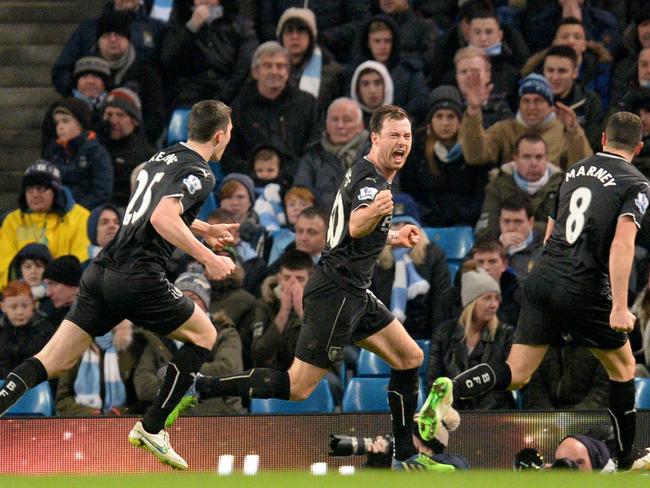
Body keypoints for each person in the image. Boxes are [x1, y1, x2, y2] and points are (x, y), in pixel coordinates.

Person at [177, 105, 447, 471]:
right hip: (336, 294)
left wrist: (393, 233)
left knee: (410, 358)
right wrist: (377, 212)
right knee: (299, 387)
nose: (402, 142)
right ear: (375, 138)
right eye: (394, 135)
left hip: (354, 291)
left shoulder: (367, 172)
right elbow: (354, 224)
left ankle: (408, 454)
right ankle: (202, 387)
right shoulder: (374, 183)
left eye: (407, 136)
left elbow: (344, 235)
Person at [0, 100, 238, 471]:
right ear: (221, 135)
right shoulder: (201, 171)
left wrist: (205, 228)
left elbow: (151, 210)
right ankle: (153, 428)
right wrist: (208, 256)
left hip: (102, 271)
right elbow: (161, 217)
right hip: (139, 277)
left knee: (53, 360)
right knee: (205, 335)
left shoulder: (162, 158)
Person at [422, 112, 650, 472]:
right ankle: (625, 463)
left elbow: (550, 231)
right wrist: (619, 306)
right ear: (638, 146)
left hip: (543, 275)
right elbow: (623, 245)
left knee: (518, 371)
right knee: (623, 368)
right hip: (584, 284)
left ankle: (452, 387)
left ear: (603, 139)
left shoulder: (573, 172)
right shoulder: (635, 183)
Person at [135, 272, 245, 415]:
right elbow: (143, 387)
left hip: (219, 417)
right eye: (180, 298)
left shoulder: (224, 333)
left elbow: (228, 369)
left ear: (205, 304)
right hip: (168, 420)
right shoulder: (158, 337)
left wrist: (171, 376)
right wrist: (191, 379)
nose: (186, 303)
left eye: (193, 298)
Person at [222, 41, 321, 175]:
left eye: (280, 66)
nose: (274, 71)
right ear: (255, 72)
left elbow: (313, 151)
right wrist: (258, 175)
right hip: (251, 183)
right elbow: (230, 158)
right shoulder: (239, 107)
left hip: (296, 181)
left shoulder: (308, 105)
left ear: (287, 72)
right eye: (268, 66)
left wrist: (287, 174)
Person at [459, 72, 593, 170]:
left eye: (538, 101)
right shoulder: (504, 130)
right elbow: (475, 156)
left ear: (550, 105)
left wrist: (573, 130)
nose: (531, 107)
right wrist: (474, 111)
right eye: (526, 101)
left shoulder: (563, 132)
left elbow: (583, 169)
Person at [426, 263, 515, 411]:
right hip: (453, 415)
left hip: (495, 416)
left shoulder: (506, 334)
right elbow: (434, 382)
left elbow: (506, 382)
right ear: (470, 302)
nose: (494, 305)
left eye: (497, 298)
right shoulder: (444, 333)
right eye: (487, 298)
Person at [401, 85, 489, 227]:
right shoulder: (416, 149)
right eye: (439, 116)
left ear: (460, 120)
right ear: (431, 120)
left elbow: (481, 196)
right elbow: (410, 193)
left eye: (451, 116)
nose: (445, 123)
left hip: (466, 225)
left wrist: (461, 215)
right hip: (425, 225)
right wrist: (428, 215)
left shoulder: (473, 149)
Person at [0, 161, 90, 290]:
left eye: (41, 188)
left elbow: (82, 262)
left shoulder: (81, 217)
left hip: (64, 297)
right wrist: (21, 290)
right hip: (19, 297)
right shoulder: (12, 221)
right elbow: (3, 264)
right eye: (29, 189)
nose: (35, 194)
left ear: (55, 191)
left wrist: (50, 288)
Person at [370, 193, 450, 340]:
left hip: (426, 338)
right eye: (395, 224)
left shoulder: (433, 256)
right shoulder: (376, 261)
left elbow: (441, 306)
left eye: (406, 224)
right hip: (385, 340)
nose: (401, 230)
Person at [160, 0, 258, 108]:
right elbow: (168, 59)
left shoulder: (240, 26)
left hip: (229, 101)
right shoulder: (179, 21)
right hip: (187, 100)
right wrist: (191, 27)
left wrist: (222, 98)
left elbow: (244, 68)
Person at [475, 134, 563, 239]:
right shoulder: (498, 187)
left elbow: (566, 229)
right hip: (507, 249)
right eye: (526, 157)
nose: (533, 163)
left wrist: (523, 228)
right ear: (515, 159)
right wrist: (503, 241)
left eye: (539, 157)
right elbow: (485, 231)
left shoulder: (562, 186)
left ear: (546, 159)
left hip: (549, 250)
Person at [294, 97, 369, 211]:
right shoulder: (312, 157)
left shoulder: (376, 156)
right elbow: (300, 193)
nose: (340, 125)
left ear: (360, 126)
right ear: (327, 125)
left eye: (347, 120)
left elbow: (389, 192)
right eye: (334, 119)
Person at [55, 320, 140, 416]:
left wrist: (120, 411)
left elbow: (139, 401)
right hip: (81, 423)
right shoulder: (75, 352)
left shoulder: (129, 351)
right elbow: (61, 400)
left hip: (120, 423)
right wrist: (88, 412)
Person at [42, 98, 114, 210]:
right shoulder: (52, 152)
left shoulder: (96, 152)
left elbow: (102, 192)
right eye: (57, 123)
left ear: (81, 123)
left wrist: (74, 210)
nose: (60, 127)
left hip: (84, 214)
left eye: (65, 121)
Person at [276, 7, 342, 113]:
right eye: (289, 31)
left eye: (301, 30)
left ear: (311, 37)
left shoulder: (331, 72)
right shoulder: (270, 69)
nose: (294, 36)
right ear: (281, 37)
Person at [99, 87, 155, 208]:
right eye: (109, 114)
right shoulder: (94, 147)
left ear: (134, 120)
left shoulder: (146, 154)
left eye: (120, 115)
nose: (113, 121)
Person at [542, 45, 603, 151]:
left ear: (575, 72)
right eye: (550, 70)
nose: (555, 77)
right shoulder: (533, 100)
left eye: (562, 71)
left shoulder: (591, 101)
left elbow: (593, 144)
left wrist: (572, 128)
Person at [0, 281, 55, 378]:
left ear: (33, 304)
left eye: (25, 306)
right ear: (3, 307)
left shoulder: (45, 330)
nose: (20, 312)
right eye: (13, 307)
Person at [350, 61, 394, 129]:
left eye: (377, 83)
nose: (372, 90)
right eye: (365, 84)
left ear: (386, 86)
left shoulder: (401, 121)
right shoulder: (347, 124)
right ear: (357, 90)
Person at [42, 255, 83, 328]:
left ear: (72, 284)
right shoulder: (52, 320)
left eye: (52, 284)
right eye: (46, 286)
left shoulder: (97, 314)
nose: (48, 293)